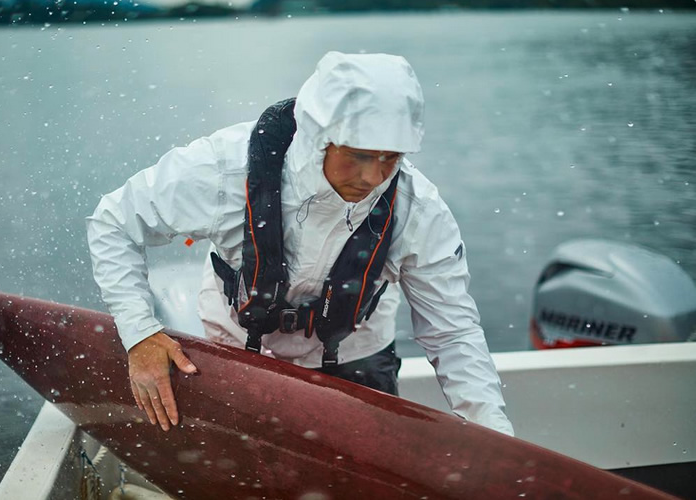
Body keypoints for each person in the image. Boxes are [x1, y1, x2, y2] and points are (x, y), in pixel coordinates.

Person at [87, 51, 514, 437]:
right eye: (359, 155)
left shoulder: (418, 210)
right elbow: (114, 222)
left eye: (390, 157)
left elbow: (453, 332)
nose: (372, 177)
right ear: (318, 137)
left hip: (357, 353)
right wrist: (140, 334)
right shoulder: (222, 168)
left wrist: (492, 433)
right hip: (235, 343)